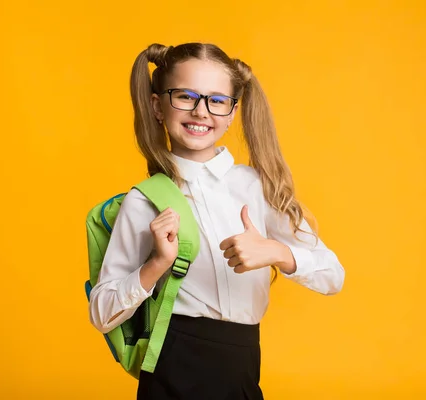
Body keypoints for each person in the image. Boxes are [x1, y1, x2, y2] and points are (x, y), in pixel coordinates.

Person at [88, 42, 345, 400]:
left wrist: (276, 251)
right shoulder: (144, 200)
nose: (201, 111)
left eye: (216, 100)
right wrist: (157, 264)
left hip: (241, 365)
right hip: (170, 368)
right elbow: (102, 313)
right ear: (156, 105)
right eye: (185, 96)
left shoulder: (257, 187)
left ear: (231, 112)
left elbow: (333, 275)